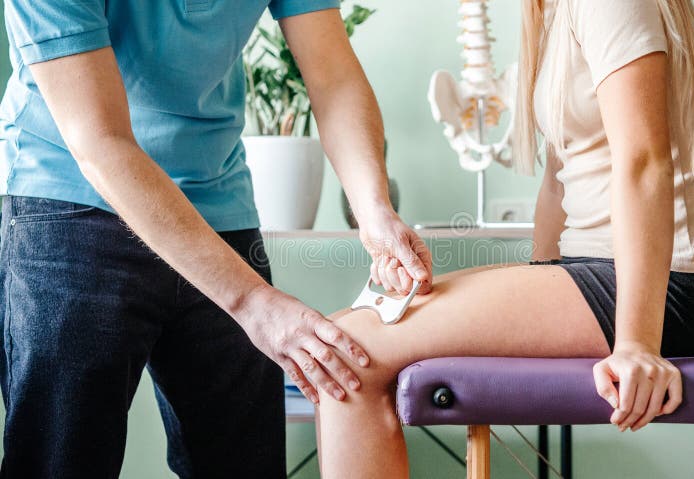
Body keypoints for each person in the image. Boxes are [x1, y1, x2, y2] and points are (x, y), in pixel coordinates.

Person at [0, 1, 432, 477]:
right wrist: (251, 301)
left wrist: (374, 212)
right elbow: (101, 142)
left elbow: (334, 78)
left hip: (217, 205)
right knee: (62, 461)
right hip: (72, 203)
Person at [318, 0, 694, 477]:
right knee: (338, 334)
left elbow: (644, 160)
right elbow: (557, 180)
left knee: (346, 353)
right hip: (596, 272)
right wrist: (532, 289)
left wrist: (638, 345)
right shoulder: (551, 12)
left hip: (668, 292)